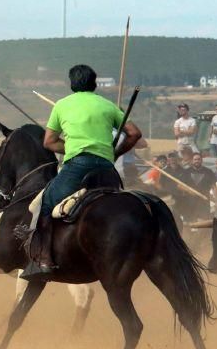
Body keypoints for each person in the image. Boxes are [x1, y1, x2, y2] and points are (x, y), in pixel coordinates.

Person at [23, 64, 138, 279]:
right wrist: (114, 153)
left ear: (72, 83)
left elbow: (49, 142)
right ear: (94, 83)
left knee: (44, 204)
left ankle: (43, 259)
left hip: (78, 167)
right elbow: (134, 134)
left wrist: (73, 147)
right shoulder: (109, 105)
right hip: (106, 169)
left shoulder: (62, 105)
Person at [179, 152, 217, 221]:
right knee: (190, 224)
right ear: (192, 161)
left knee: (203, 224)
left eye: (198, 159)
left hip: (204, 202)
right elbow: (180, 185)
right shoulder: (186, 172)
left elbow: (214, 187)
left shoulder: (208, 172)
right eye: (195, 159)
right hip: (189, 202)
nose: (197, 161)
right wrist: (189, 191)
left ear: (201, 160)